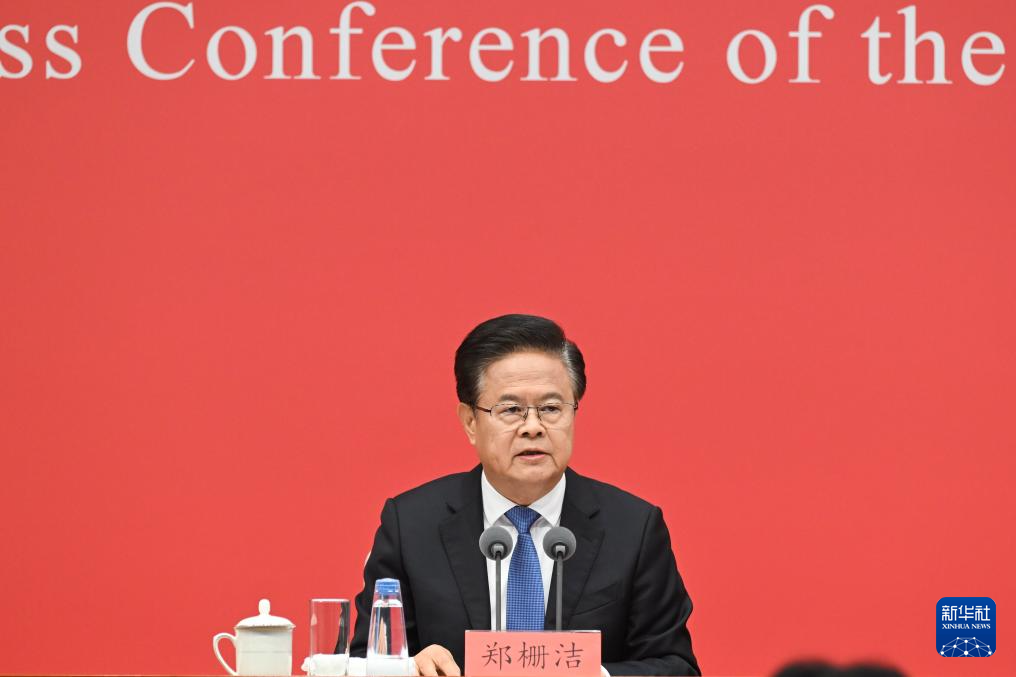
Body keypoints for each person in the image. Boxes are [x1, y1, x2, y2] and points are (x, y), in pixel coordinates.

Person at [349, 314, 699, 676]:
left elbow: (677, 667)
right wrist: (409, 668)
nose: (533, 427)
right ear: (470, 422)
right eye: (511, 410)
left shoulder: (633, 529)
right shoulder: (411, 527)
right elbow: (362, 662)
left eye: (551, 408)